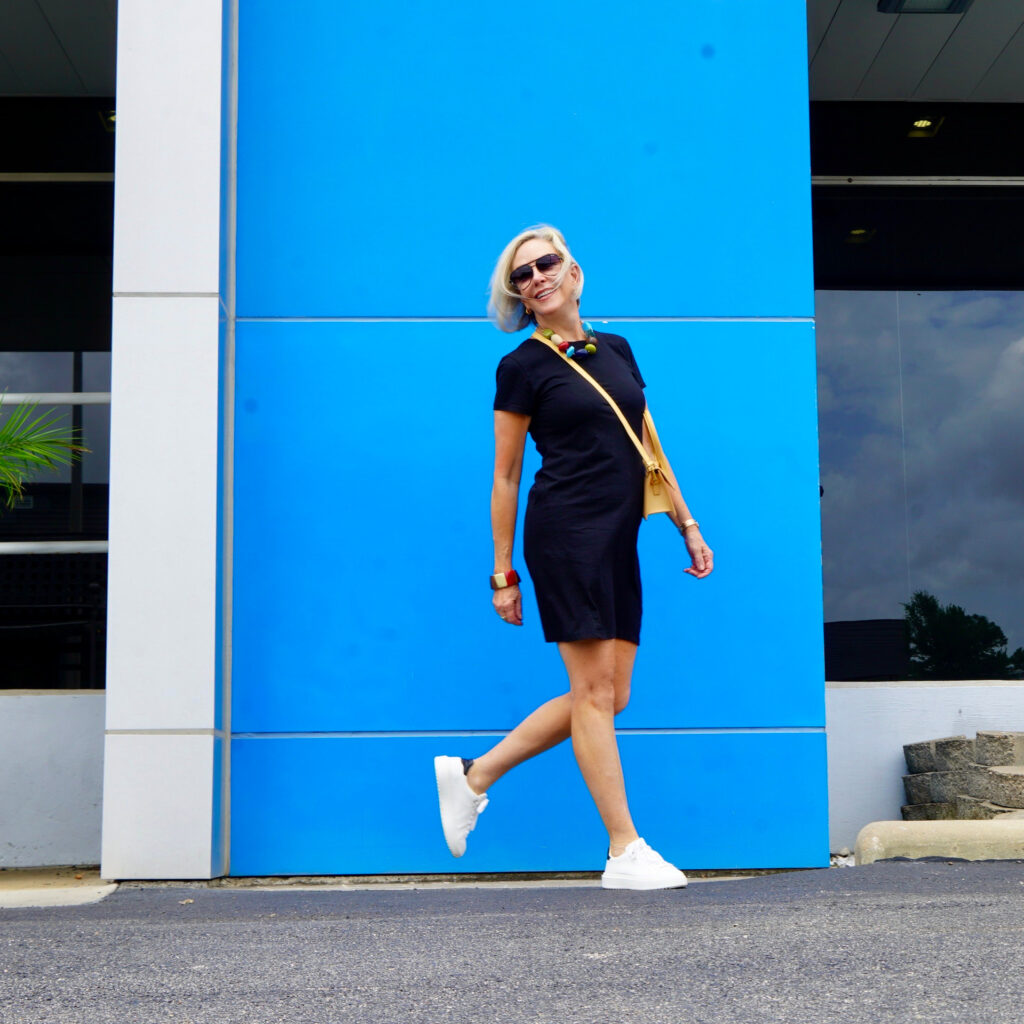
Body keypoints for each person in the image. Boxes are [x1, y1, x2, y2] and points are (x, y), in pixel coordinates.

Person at [434, 225, 713, 890]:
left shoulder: (616, 348)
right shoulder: (521, 368)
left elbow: (647, 440)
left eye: (545, 263)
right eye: (522, 276)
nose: (536, 277)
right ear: (519, 298)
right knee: (592, 691)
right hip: (565, 533)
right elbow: (504, 476)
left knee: (611, 695)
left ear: (573, 270)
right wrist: (503, 573)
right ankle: (623, 849)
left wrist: (686, 522)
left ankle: (473, 775)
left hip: (620, 537)